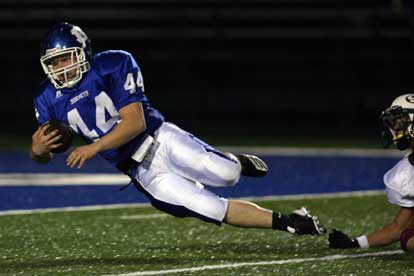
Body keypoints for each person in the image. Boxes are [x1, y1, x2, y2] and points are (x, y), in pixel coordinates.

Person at [31, 22, 325, 236]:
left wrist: (94, 147)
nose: (61, 68)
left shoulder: (113, 64)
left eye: (66, 58)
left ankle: (236, 161)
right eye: (54, 63)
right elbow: (49, 149)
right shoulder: (46, 98)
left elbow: (135, 123)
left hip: (160, 139)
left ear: (83, 52)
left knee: (227, 175)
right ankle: (290, 221)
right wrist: (39, 151)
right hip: (140, 171)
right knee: (210, 208)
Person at [329, 94, 414, 252]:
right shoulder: (408, 172)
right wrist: (355, 242)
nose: (394, 129)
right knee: (408, 236)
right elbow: (396, 229)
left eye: (399, 121)